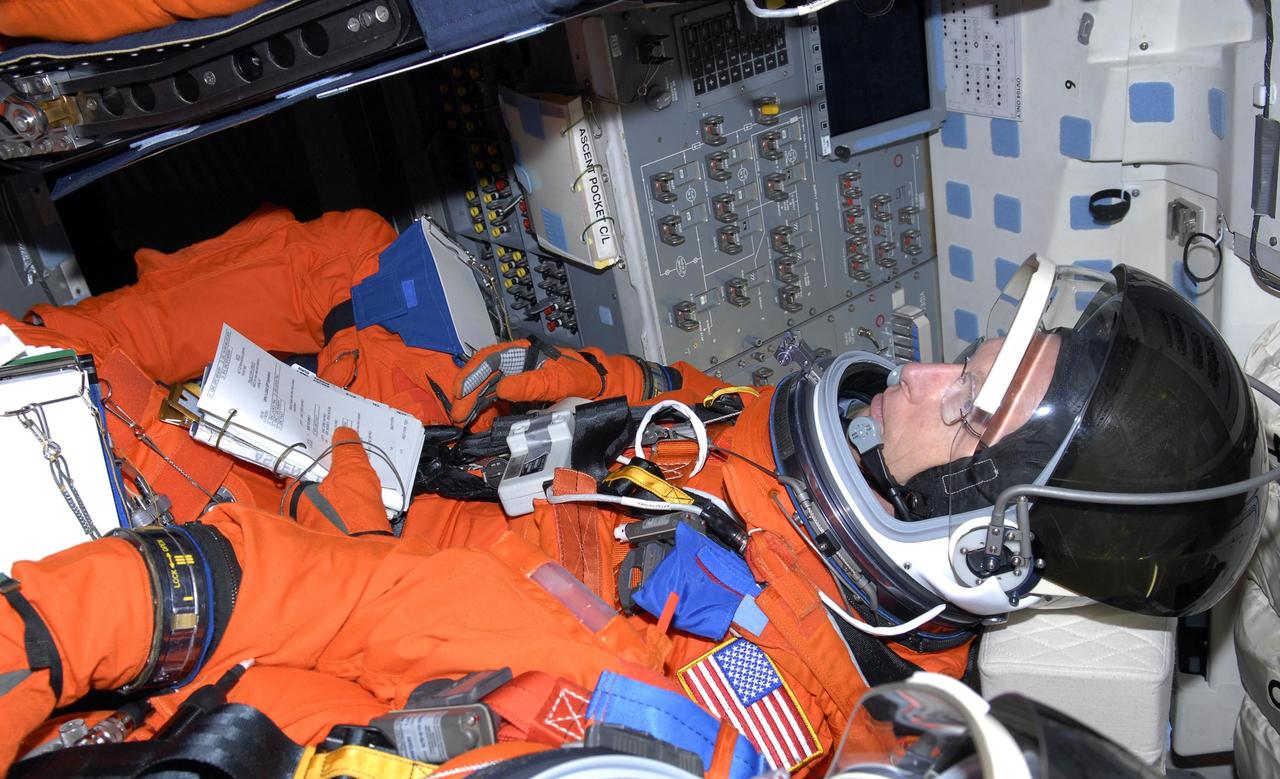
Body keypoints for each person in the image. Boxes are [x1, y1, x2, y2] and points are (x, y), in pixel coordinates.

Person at [0, 209, 1266, 777]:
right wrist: (384, 392)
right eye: (973, 347)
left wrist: (338, 482)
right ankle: (57, 336)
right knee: (343, 250)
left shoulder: (783, 710)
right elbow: (574, 395)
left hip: (330, 576)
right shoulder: (762, 432)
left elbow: (456, 647)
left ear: (981, 534)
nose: (923, 365)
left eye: (963, 399)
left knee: (76, 398)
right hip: (385, 473)